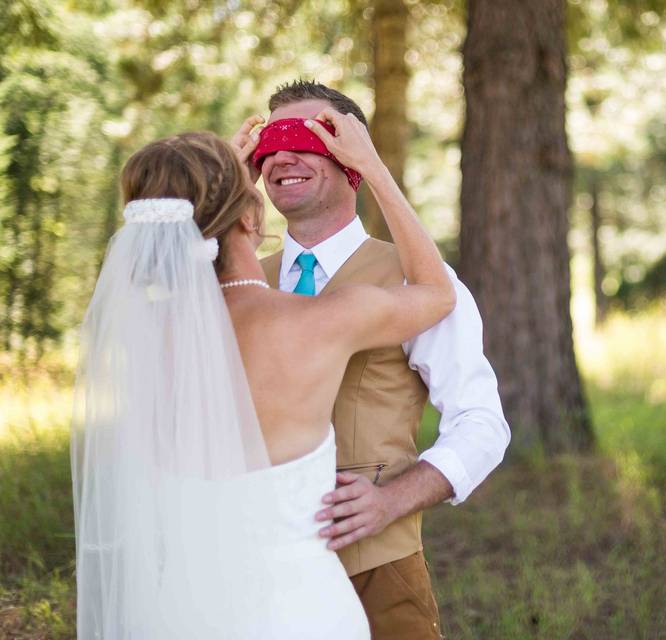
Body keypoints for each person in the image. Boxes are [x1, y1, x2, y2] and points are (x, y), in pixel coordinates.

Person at [71, 110, 455, 638]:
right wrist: (373, 168)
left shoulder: (142, 338)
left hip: (178, 609)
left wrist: (216, 187)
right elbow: (437, 292)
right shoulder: (319, 322)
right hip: (297, 609)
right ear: (251, 218)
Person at [231, 79, 511, 639]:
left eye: (309, 137)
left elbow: (482, 425)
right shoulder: (238, 286)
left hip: (376, 571)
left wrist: (391, 501)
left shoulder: (417, 280)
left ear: (352, 156)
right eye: (268, 143)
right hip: (254, 570)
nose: (282, 153)